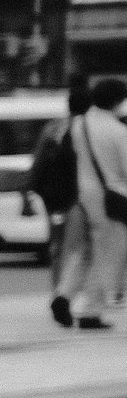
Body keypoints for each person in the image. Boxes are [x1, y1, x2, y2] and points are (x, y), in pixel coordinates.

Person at [63, 75, 127, 331]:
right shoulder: (118, 131)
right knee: (107, 255)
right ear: (117, 100)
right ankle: (90, 310)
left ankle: (64, 293)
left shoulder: (80, 125)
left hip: (84, 194)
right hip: (110, 197)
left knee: (85, 251)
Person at [36, 75, 92, 327]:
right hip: (79, 197)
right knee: (83, 250)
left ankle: (57, 293)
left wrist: (35, 190)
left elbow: (38, 164)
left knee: (59, 248)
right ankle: (66, 296)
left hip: (54, 199)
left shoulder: (53, 128)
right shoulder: (88, 128)